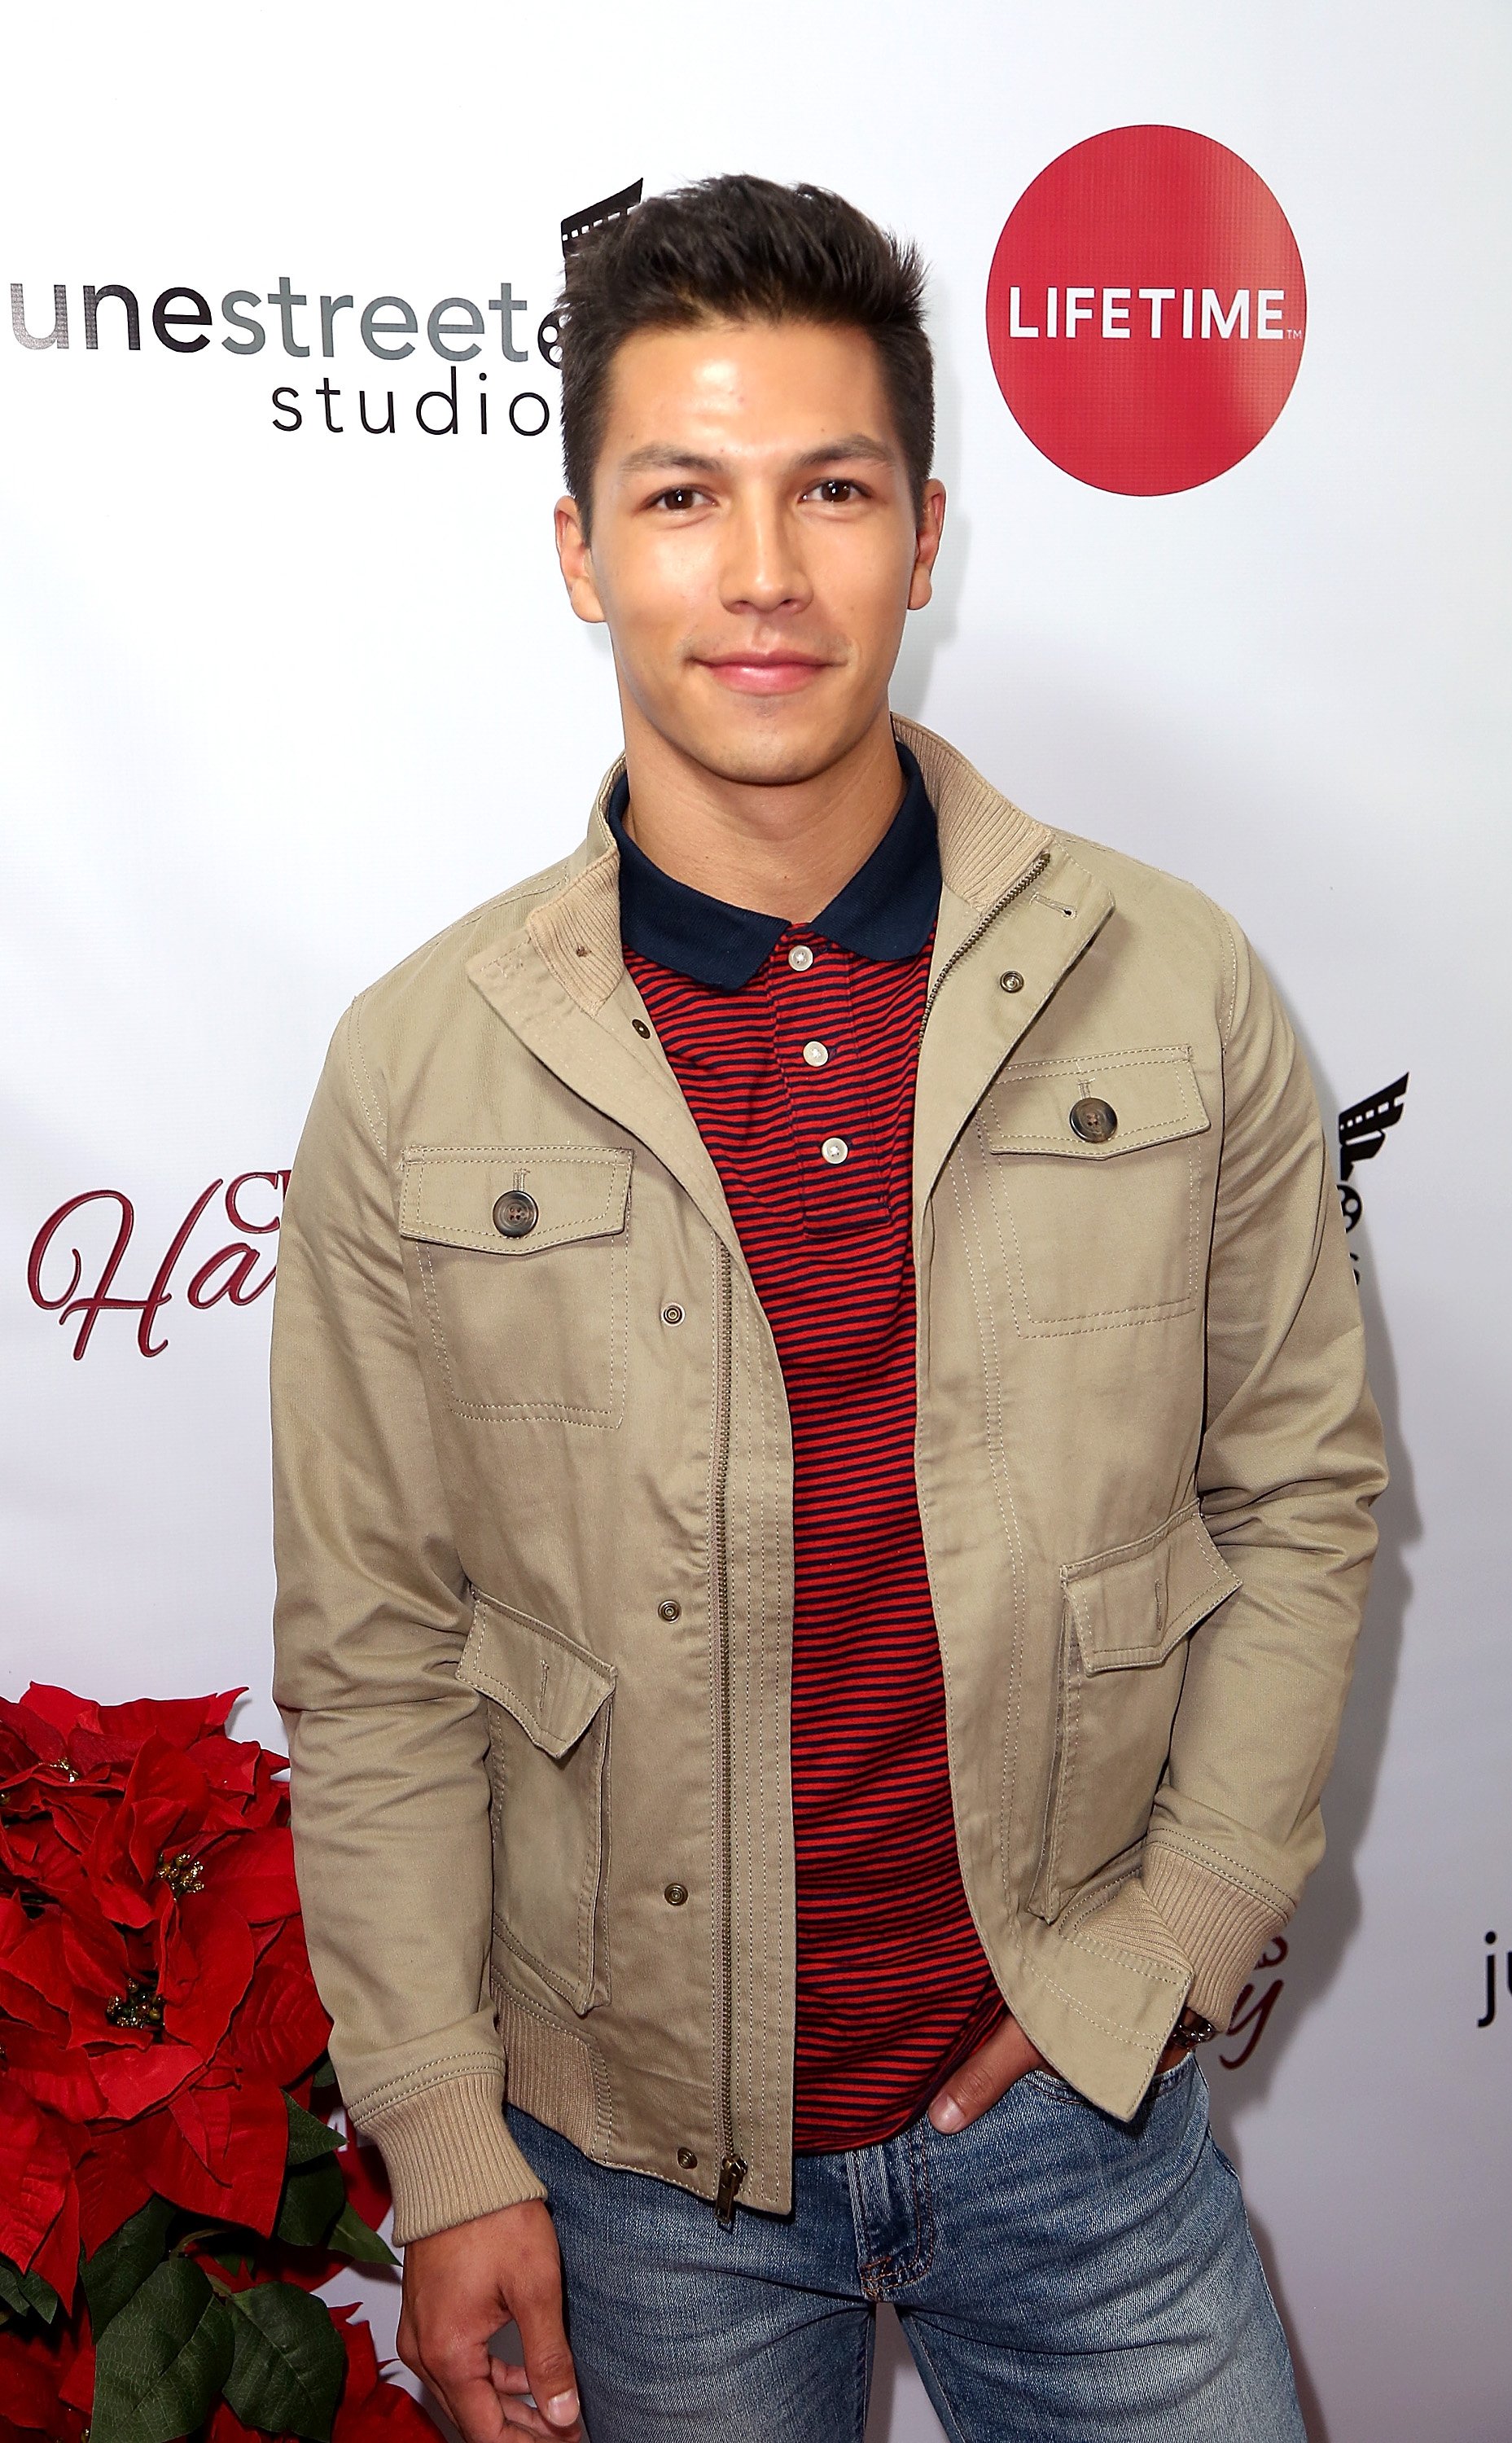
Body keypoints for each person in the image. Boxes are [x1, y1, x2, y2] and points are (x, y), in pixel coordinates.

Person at [271, 176, 1386, 2443]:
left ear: (926, 533)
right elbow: (374, 1642)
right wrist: (446, 2136)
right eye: (682, 495)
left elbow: (1301, 1491)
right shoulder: (420, 1061)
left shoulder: (1164, 981)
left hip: (1084, 2123)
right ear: (580, 552)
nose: (762, 571)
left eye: (830, 492)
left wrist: (1177, 1934)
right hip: (632, 2173)